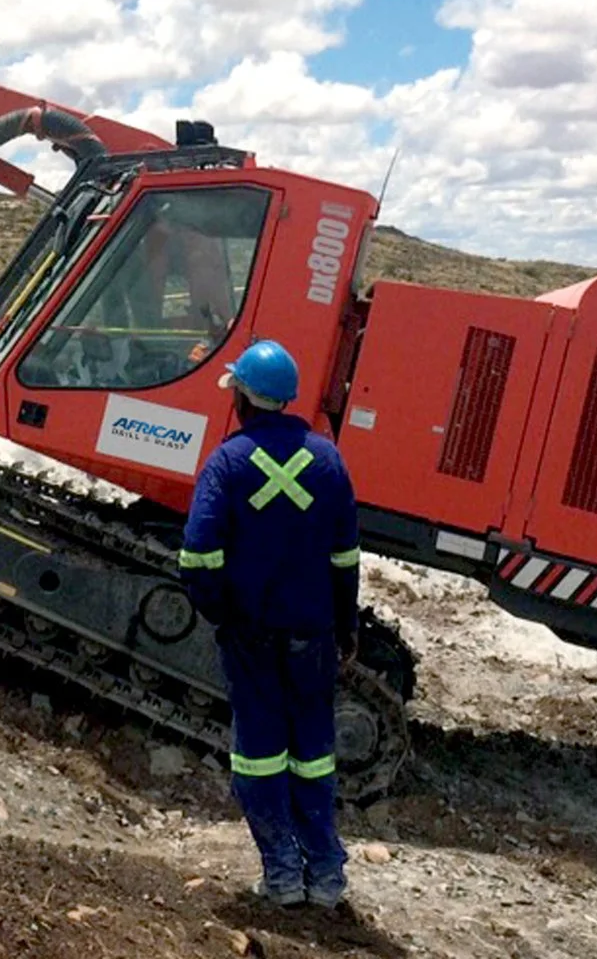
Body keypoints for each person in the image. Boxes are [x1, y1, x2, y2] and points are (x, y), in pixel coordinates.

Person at [177, 338, 362, 910]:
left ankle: (282, 875)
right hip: (313, 634)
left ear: (243, 400)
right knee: (313, 751)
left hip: (252, 633)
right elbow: (346, 557)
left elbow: (197, 555)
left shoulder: (228, 462)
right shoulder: (327, 460)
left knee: (258, 752)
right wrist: (345, 626)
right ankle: (327, 877)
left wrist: (220, 611)